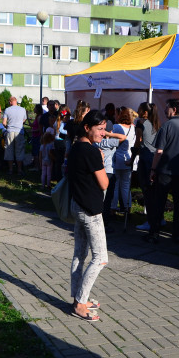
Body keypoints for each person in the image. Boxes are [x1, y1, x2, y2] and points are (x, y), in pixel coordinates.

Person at [68, 109, 109, 322]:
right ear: (87, 128)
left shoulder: (75, 147)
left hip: (78, 205)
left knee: (80, 254)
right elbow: (104, 183)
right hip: (91, 210)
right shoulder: (92, 152)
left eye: (104, 129)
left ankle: (77, 297)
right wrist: (101, 161)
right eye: (100, 129)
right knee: (101, 258)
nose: (103, 133)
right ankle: (80, 303)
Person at [145, 99, 179, 244]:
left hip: (165, 170)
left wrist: (153, 169)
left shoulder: (167, 126)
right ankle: (178, 235)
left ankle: (154, 233)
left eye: (167, 107)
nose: (165, 110)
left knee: (159, 202)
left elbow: (159, 151)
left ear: (174, 109)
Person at [134, 102, 161, 232]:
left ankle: (150, 221)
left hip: (145, 158)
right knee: (155, 191)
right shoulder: (156, 123)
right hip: (155, 158)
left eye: (139, 109)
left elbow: (138, 141)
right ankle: (158, 218)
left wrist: (132, 158)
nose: (137, 111)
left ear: (145, 112)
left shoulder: (141, 123)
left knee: (147, 191)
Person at [112, 107, 136, 215]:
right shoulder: (134, 128)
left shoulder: (116, 127)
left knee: (115, 185)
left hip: (117, 157)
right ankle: (127, 208)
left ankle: (112, 208)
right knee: (126, 185)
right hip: (129, 157)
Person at [3, 96, 27, 175]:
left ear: (10, 102)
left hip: (10, 131)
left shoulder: (7, 110)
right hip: (19, 131)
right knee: (19, 150)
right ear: (16, 101)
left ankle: (10, 170)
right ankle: (19, 170)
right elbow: (24, 120)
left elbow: (4, 123)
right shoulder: (22, 109)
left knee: (9, 150)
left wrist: (7, 127)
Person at [30, 104, 44, 171]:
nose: (34, 109)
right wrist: (27, 117)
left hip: (37, 136)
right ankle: (37, 166)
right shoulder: (37, 117)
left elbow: (39, 129)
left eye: (35, 108)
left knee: (36, 152)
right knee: (35, 151)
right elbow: (32, 125)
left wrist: (32, 130)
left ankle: (37, 166)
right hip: (35, 136)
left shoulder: (39, 117)